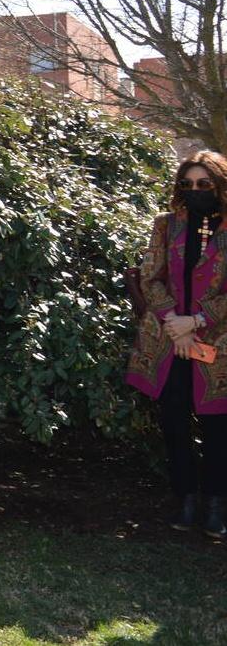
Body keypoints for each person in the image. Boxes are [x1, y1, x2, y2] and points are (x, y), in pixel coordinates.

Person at [127, 150, 227, 537]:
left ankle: (217, 506)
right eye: (187, 184)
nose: (195, 190)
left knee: (219, 426)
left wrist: (198, 320)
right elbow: (150, 277)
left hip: (217, 343)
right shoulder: (166, 225)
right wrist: (176, 322)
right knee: (173, 422)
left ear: (219, 184)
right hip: (170, 342)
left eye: (204, 184)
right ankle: (186, 499)